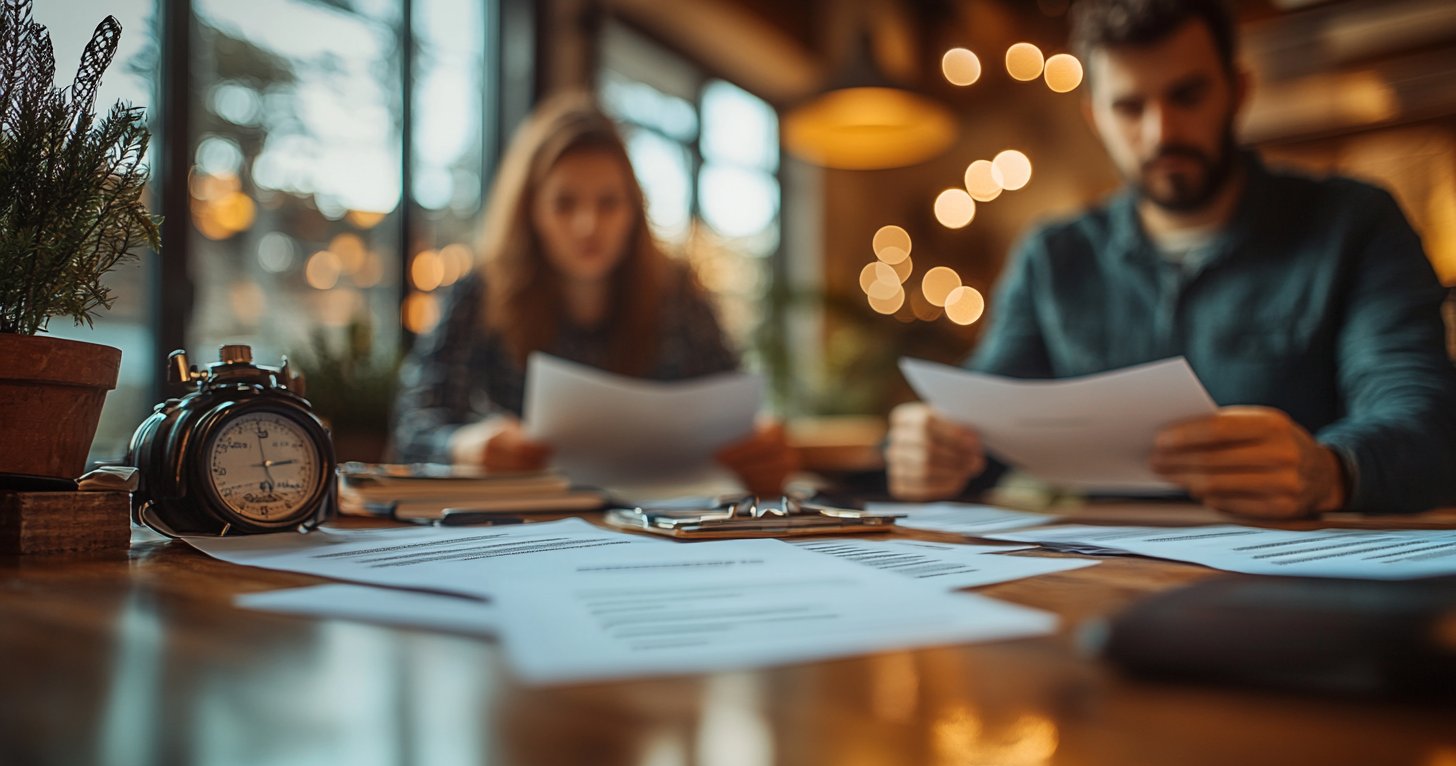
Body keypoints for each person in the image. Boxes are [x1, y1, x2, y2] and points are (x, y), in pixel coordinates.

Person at [887, 0, 1456, 517]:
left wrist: (1330, 471)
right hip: (1104, 578)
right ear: (1096, 118)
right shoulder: (1054, 256)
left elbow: (1425, 421)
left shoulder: (1354, 223)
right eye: (1130, 107)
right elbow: (984, 424)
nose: (1161, 132)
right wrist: (930, 451)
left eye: (1187, 95)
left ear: (1238, 90)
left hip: (1311, 575)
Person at [391, 92, 796, 494]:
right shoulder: (478, 296)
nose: (588, 224)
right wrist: (465, 447)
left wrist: (762, 450)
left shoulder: (680, 298)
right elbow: (412, 426)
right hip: (527, 528)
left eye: (609, 203)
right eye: (564, 204)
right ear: (531, 212)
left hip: (668, 522)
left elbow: (736, 413)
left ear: (634, 212)